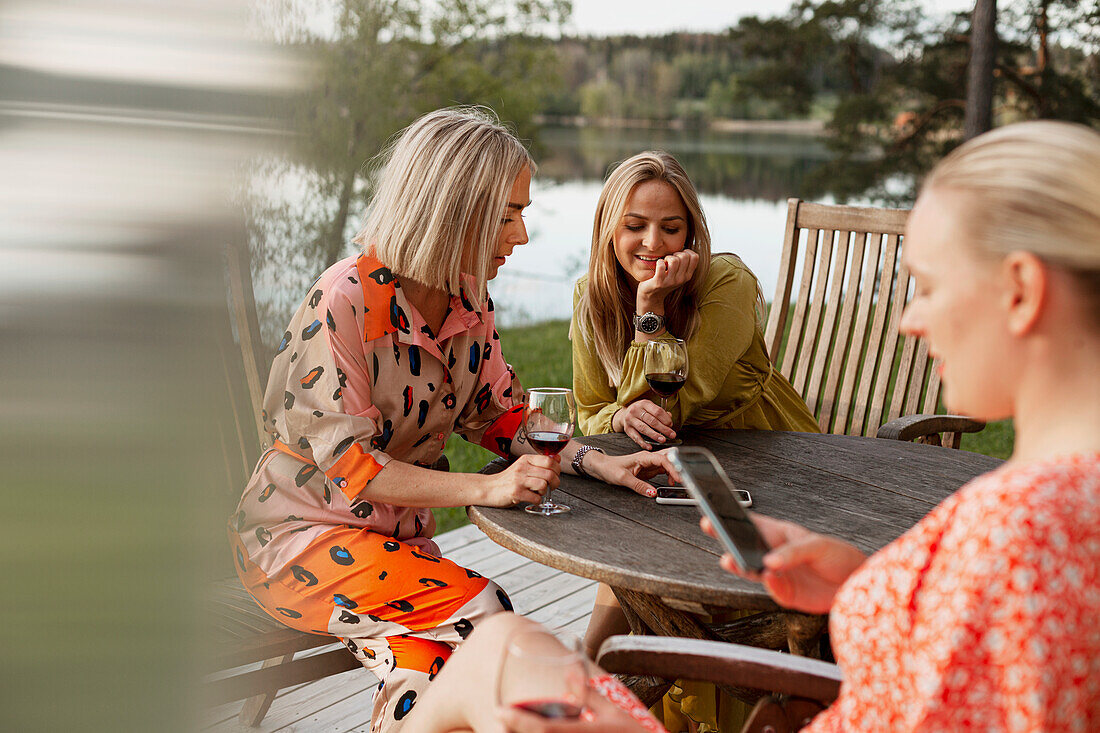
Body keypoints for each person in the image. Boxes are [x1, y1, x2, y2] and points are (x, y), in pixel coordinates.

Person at [401, 120, 1100, 732]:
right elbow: (949, 659)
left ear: (1021, 289)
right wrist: (856, 583)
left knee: (496, 661)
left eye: (932, 284)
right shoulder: (1035, 513)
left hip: (768, 460)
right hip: (698, 494)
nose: (912, 319)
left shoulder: (1022, 531)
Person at [228, 108, 678, 733]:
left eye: (523, 213)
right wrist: (488, 487)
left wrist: (600, 462)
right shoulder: (342, 304)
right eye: (506, 216)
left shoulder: (469, 299)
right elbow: (352, 468)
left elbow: (503, 415)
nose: (520, 236)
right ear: (450, 212)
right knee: (487, 615)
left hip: (397, 549)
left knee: (430, 670)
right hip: (298, 544)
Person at [571, 151, 820, 730]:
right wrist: (622, 416)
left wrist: (650, 310)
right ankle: (594, 682)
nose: (652, 243)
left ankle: (592, 679)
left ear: (694, 230)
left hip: (773, 463)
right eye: (634, 226)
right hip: (669, 470)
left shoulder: (726, 281)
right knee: (632, 547)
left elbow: (675, 401)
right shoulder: (590, 295)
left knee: (650, 558)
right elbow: (590, 413)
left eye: (671, 226)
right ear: (609, 229)